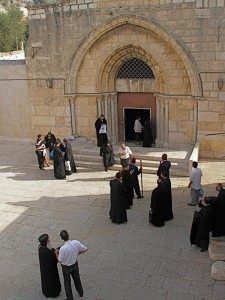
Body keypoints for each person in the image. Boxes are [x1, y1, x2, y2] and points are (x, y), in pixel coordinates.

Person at [56, 230, 88, 299]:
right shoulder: (76, 242)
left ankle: (70, 298)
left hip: (66, 267)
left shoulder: (62, 249)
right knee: (77, 278)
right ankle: (80, 292)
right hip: (75, 264)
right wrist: (78, 253)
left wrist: (56, 253)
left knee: (67, 282)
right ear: (68, 235)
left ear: (61, 238)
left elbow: (60, 260)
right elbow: (85, 249)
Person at [38, 233, 61, 298]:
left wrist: (55, 250)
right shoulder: (46, 251)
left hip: (45, 268)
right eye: (48, 240)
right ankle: (53, 293)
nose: (49, 241)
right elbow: (54, 260)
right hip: (50, 270)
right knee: (52, 281)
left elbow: (51, 250)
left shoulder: (40, 247)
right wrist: (56, 253)